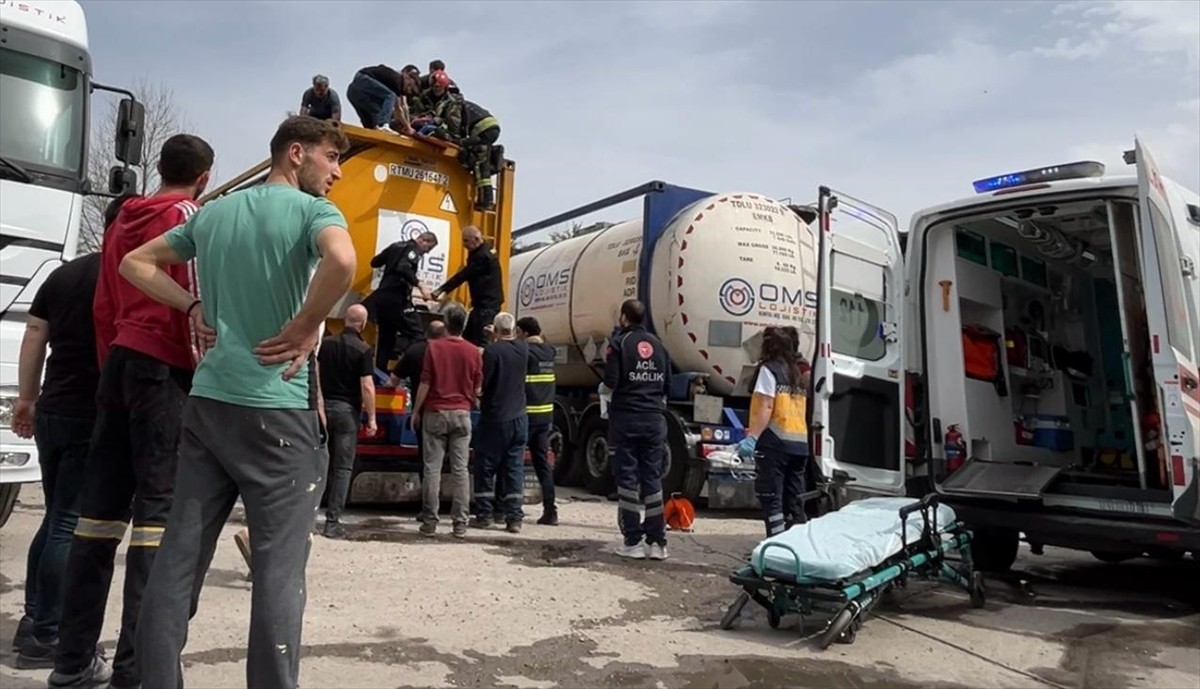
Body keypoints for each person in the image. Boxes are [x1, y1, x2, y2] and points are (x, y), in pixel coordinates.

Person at [126, 115, 355, 689]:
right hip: (277, 410)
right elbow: (343, 262)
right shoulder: (314, 214)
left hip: (208, 405)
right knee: (279, 571)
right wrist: (306, 325)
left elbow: (136, 263)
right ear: (296, 153)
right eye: (332, 158)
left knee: (178, 557)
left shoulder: (214, 213)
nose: (337, 172)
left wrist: (191, 306)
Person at [49, 135, 214, 689]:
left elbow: (106, 305)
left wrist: (111, 368)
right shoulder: (186, 214)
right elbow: (195, 296)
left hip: (118, 362)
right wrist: (198, 373)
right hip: (163, 372)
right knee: (157, 524)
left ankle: (71, 661)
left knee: (96, 521)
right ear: (204, 176)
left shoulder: (121, 222)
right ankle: (138, 669)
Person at [8, 233, 109, 671]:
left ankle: (34, 621)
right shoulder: (128, 275)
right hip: (91, 412)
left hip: (53, 407)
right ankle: (48, 632)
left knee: (55, 517)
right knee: (68, 522)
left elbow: (34, 334)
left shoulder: (63, 274)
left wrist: (26, 398)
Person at [602, 299, 671, 561]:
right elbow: (667, 386)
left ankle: (632, 541)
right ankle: (657, 542)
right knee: (652, 478)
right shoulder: (659, 345)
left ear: (623, 317)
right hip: (654, 419)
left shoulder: (619, 343)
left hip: (627, 419)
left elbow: (611, 382)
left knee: (628, 480)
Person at [411, 303, 482, 539]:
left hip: (436, 412)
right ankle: (460, 524)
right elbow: (477, 386)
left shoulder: (434, 348)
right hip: (462, 414)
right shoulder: (474, 351)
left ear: (446, 322)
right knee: (460, 470)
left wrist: (416, 411)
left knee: (432, 469)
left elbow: (425, 382)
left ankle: (430, 522)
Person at [737, 326, 811, 537]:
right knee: (794, 500)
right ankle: (798, 546)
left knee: (772, 497)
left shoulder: (769, 370)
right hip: (800, 445)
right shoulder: (797, 373)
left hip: (776, 443)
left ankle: (776, 548)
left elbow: (766, 406)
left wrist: (752, 438)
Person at [318, 304, 377, 539]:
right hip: (347, 413)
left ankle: (306, 515)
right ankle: (332, 523)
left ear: (344, 320)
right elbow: (367, 386)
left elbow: (315, 373)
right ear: (362, 324)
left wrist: (318, 403)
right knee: (342, 467)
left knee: (318, 464)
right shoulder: (363, 349)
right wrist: (371, 418)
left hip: (322, 411)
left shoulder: (327, 345)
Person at [470, 313, 529, 533]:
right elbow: (511, 343)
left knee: (485, 466)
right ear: (513, 329)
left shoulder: (492, 352)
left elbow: (484, 382)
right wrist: (495, 335)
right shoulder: (523, 349)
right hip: (519, 417)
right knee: (513, 468)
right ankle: (513, 517)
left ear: (495, 329)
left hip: (495, 417)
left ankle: (484, 515)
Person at [363, 231, 438, 371]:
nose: (425, 253)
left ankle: (380, 373)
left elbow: (375, 262)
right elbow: (403, 267)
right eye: (428, 249)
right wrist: (420, 285)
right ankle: (407, 370)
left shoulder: (395, 246)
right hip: (398, 298)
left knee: (386, 338)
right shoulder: (412, 250)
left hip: (382, 299)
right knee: (418, 335)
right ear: (423, 240)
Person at [517, 316, 558, 526]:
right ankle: (551, 511)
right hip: (545, 418)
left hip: (526, 416)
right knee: (542, 465)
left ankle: (512, 511)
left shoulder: (526, 352)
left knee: (513, 461)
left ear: (523, 333)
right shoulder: (549, 352)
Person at [432, 226, 502, 347]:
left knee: (481, 341)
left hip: (486, 306)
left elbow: (464, 275)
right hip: (482, 305)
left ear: (476, 239)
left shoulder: (483, 256)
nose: (464, 245)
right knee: (467, 339)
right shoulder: (483, 249)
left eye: (466, 241)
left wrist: (442, 289)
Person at [456, 98, 502, 210]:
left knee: (480, 165)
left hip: (483, 131)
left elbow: (457, 127)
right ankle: (494, 154)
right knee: (481, 156)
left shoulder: (453, 105)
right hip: (492, 128)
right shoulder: (465, 104)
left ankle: (486, 201)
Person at [345, 64, 409, 132]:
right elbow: (398, 110)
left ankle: (372, 130)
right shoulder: (397, 81)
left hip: (352, 92)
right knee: (390, 96)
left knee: (376, 114)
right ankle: (383, 124)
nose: (409, 89)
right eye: (409, 86)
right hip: (362, 79)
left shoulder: (389, 79)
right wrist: (408, 127)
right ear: (407, 76)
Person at [412, 71, 462, 140]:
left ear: (445, 87)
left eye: (439, 87)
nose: (437, 89)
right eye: (434, 86)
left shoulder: (452, 102)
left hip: (443, 130)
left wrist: (436, 120)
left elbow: (454, 124)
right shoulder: (424, 97)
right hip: (423, 125)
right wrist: (420, 118)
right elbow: (417, 111)